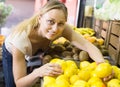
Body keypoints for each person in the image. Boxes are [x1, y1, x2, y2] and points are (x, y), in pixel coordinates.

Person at [2, 0, 113, 87]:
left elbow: (88, 45)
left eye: (60, 23)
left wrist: (102, 65)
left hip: (33, 50)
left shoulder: (63, 29)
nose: (55, 29)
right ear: (40, 18)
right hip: (11, 51)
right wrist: (37, 72)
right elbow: (20, 84)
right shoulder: (20, 40)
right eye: (50, 21)